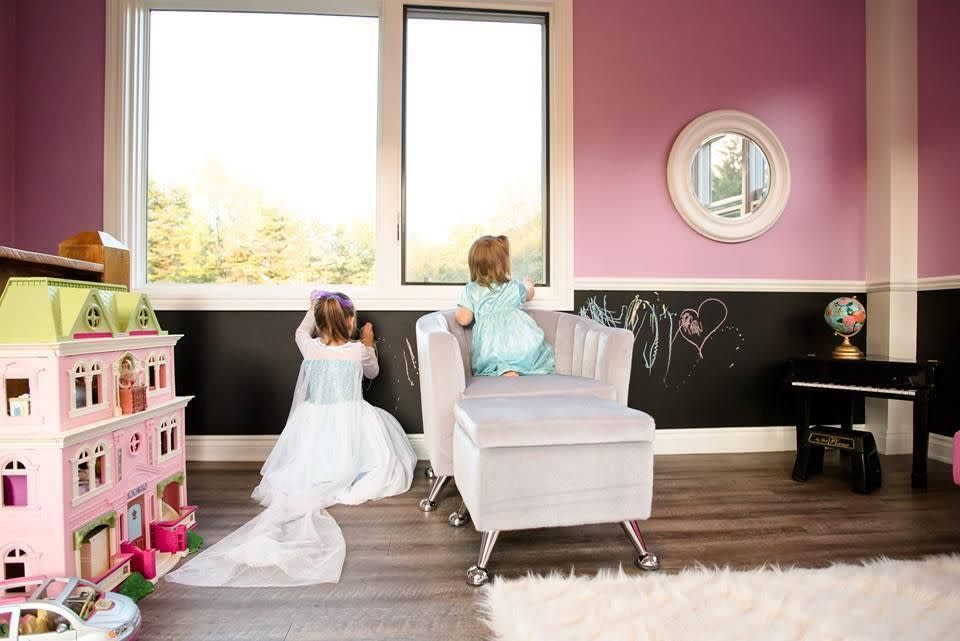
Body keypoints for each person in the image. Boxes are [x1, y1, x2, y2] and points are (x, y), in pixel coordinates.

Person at [166, 291, 416, 587]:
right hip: (350, 418)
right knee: (379, 443)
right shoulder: (357, 351)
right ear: (351, 322)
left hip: (314, 419)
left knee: (311, 457)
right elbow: (373, 371)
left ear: (319, 322)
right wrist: (368, 340)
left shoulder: (309, 347)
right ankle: (347, 471)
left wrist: (312, 309)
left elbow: (300, 330)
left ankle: (322, 474)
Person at [455, 235, 555, 377]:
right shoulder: (513, 285)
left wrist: (459, 311)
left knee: (495, 359)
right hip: (520, 340)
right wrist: (529, 285)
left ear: (474, 265)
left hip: (492, 346)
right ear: (503, 262)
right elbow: (529, 294)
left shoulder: (471, 289)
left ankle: (506, 371)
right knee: (525, 355)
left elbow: (463, 319)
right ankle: (515, 370)